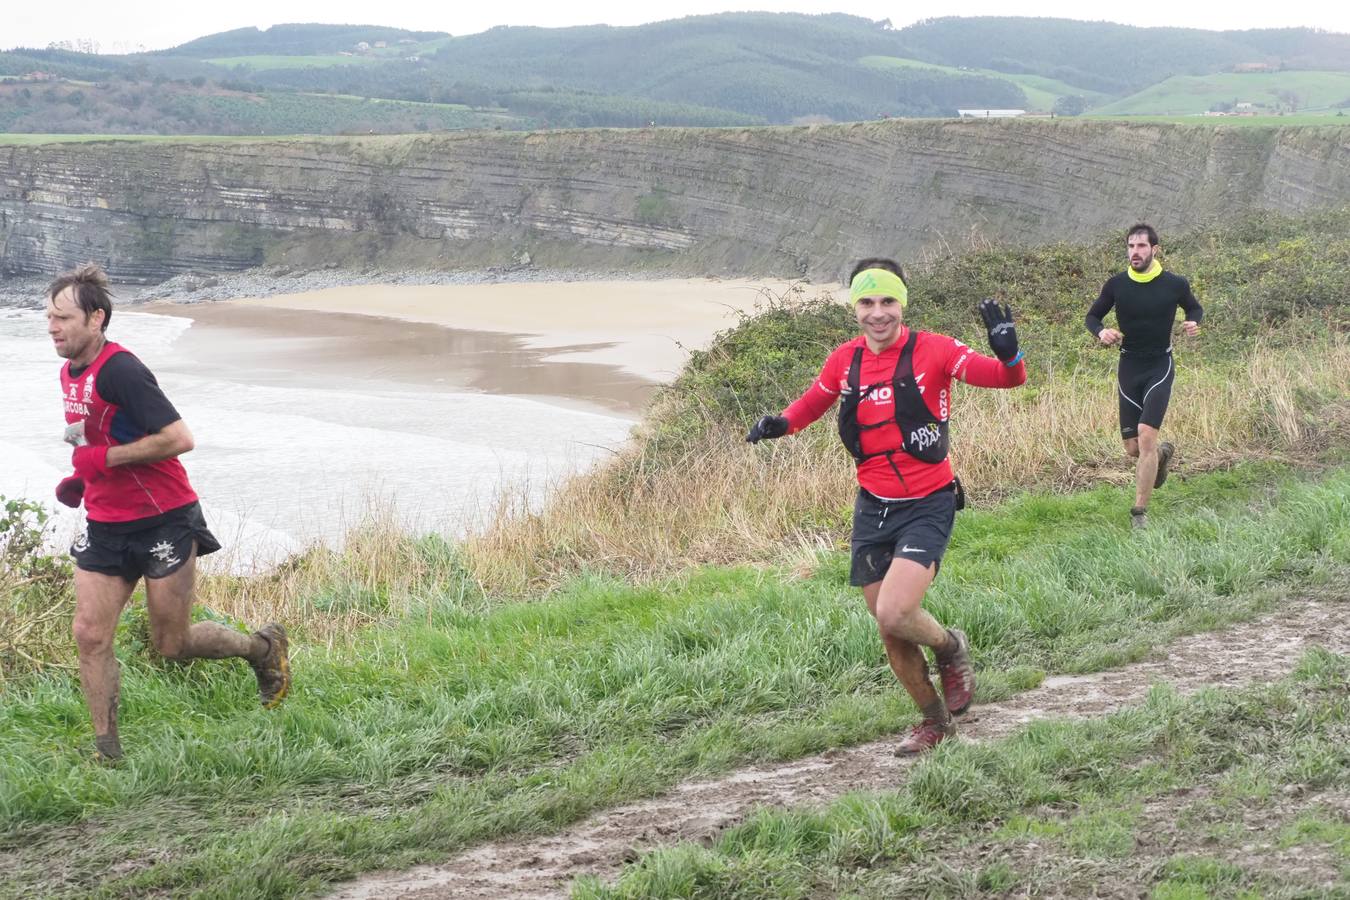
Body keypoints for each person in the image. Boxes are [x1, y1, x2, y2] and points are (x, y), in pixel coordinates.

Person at [746, 259, 1027, 754]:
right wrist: (781, 424)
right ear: (855, 307)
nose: (878, 314)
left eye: (888, 302)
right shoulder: (844, 360)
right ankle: (935, 723)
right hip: (872, 506)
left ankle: (950, 646)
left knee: (897, 612)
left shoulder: (934, 350)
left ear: (902, 304)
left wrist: (1010, 355)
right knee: (888, 626)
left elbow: (1007, 380)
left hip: (929, 501)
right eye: (867, 303)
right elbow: (814, 401)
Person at [46, 263, 290, 763]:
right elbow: (88, 433)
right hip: (106, 523)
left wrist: (106, 459)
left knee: (171, 644)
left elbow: (180, 439)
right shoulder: (69, 371)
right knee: (89, 635)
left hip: (164, 519)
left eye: (63, 318)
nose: (53, 327)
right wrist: (82, 473)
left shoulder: (123, 370)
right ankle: (107, 754)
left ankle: (263, 650)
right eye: (48, 318)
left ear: (96, 319)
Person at [1085, 224, 1202, 528]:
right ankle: (1161, 457)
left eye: (1141, 246)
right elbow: (1092, 316)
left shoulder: (1175, 283)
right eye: (1130, 246)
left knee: (1147, 436)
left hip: (1159, 366)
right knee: (1134, 449)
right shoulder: (1116, 285)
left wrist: (1192, 322)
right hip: (1129, 367)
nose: (1134, 252)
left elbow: (1194, 307)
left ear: (1154, 249)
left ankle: (1139, 513)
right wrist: (1102, 331)